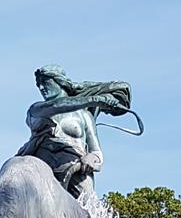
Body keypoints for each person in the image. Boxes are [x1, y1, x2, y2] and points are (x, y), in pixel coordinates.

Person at [17, 64, 132, 199]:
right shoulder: (37, 110)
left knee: (88, 208)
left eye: (45, 82)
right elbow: (58, 105)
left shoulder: (84, 115)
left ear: (60, 82)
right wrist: (96, 100)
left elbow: (96, 151)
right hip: (42, 168)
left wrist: (92, 159)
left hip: (76, 169)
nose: (41, 88)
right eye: (38, 85)